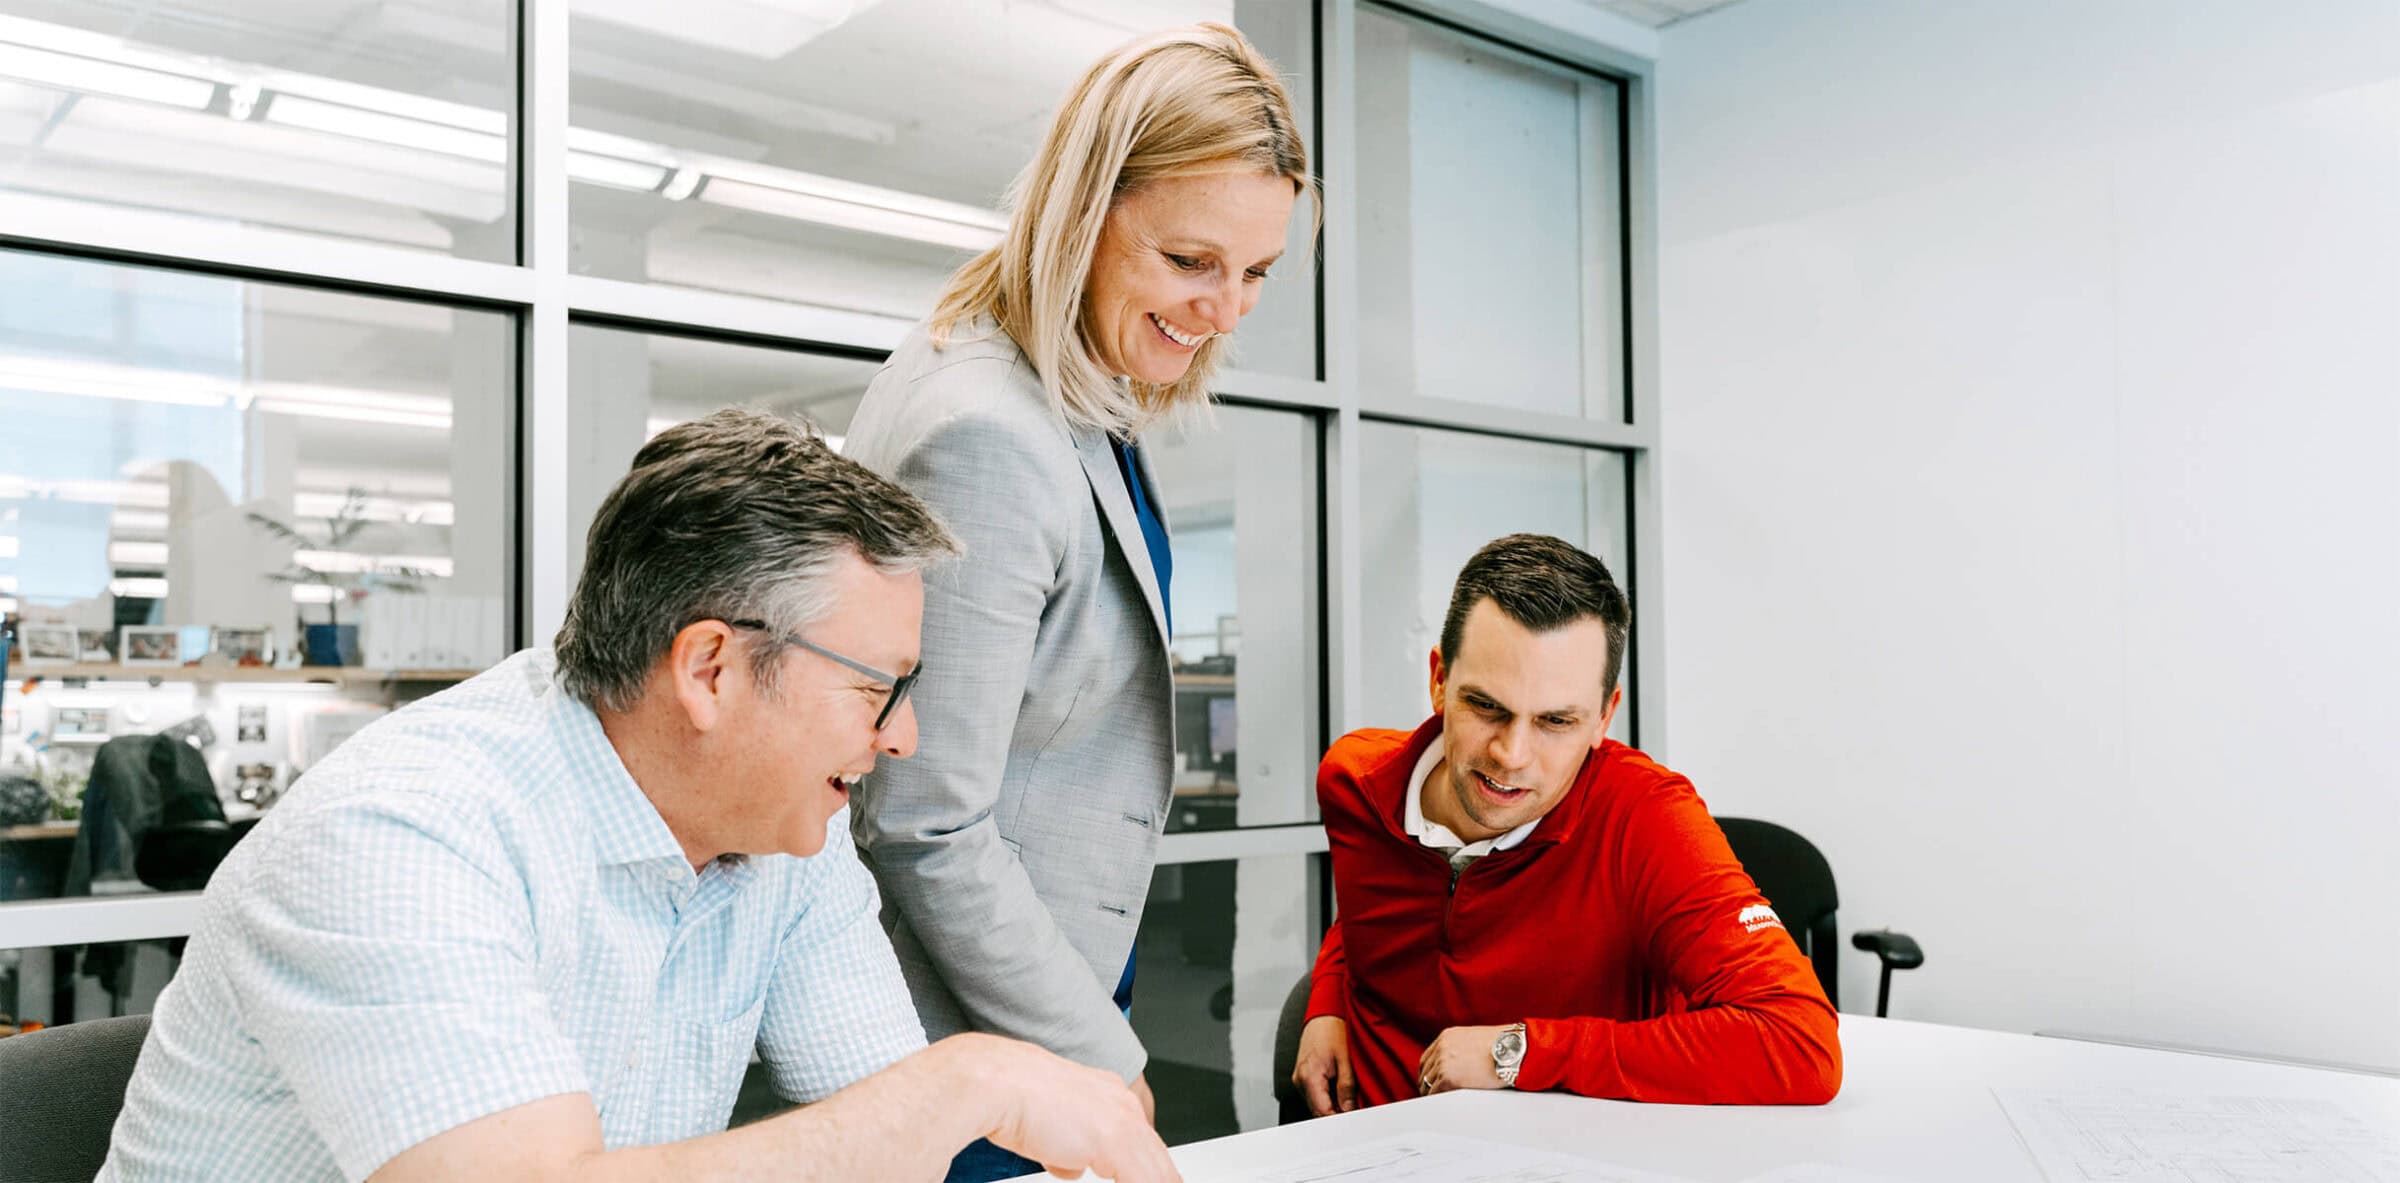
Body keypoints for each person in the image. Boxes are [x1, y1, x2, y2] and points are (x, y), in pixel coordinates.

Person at [98, 410, 1177, 1183]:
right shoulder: (400, 835)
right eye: (875, 688)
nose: (901, 737)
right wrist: (965, 1085)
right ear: (708, 669)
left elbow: (881, 1144)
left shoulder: (781, 833)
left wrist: (941, 1104)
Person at [841, 21, 1310, 1183]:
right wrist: (1098, 1051)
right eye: (1192, 262)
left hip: (1039, 971)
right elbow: (920, 815)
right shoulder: (986, 433)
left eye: (1256, 272)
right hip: (976, 1025)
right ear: (1085, 210)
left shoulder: (1064, 393)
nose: (1227, 309)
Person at [1290, 534, 1842, 1115]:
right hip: (1369, 1149)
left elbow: (1800, 1041)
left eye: (1555, 720)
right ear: (1438, 681)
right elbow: (1373, 902)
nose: (1511, 753)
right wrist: (1327, 1000)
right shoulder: (1355, 781)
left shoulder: (1646, 819)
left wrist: (1520, 1052)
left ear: (1605, 716)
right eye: (1486, 706)